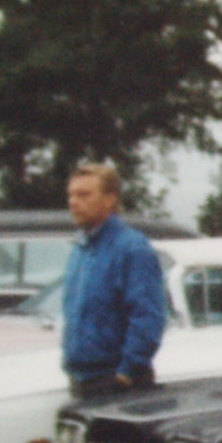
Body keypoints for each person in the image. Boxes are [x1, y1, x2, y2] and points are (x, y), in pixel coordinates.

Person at [59, 161, 167, 399]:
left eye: (84, 195)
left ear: (110, 199)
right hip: (81, 378)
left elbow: (148, 316)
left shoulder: (132, 249)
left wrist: (127, 372)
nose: (73, 202)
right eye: (71, 195)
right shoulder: (80, 248)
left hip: (116, 382)